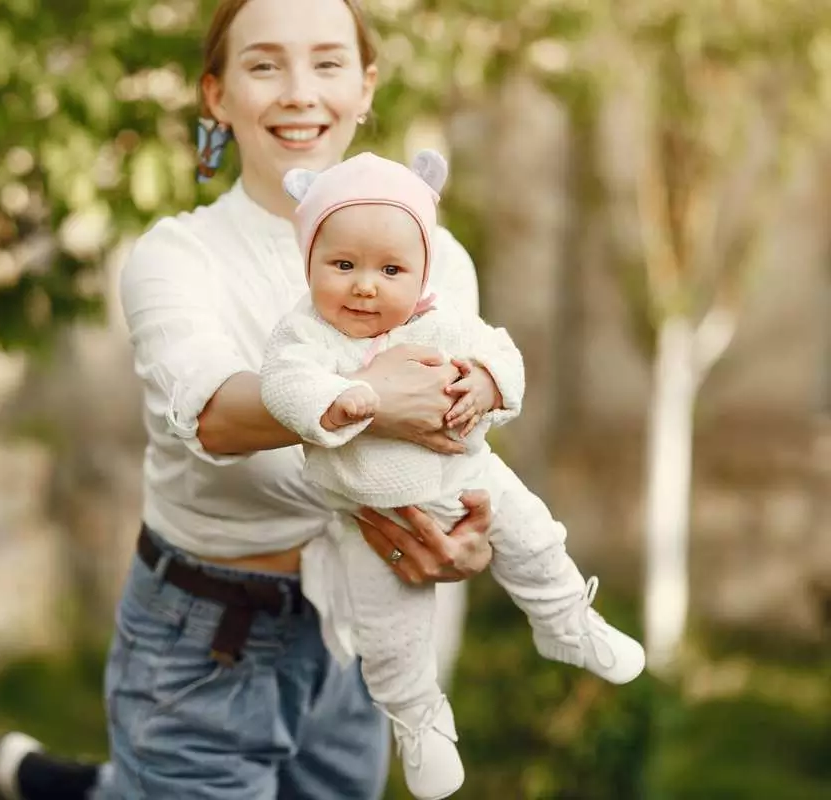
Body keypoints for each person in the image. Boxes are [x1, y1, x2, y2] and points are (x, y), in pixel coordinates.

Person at [0, 1, 495, 797]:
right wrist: (365, 398)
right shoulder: (176, 257)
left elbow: (455, 447)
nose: (299, 92)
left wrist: (461, 542)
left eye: (327, 64)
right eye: (264, 65)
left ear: (365, 88)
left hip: (355, 638)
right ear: (217, 96)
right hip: (206, 645)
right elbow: (216, 418)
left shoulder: (439, 259)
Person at [260, 150, 645, 799]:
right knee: (391, 636)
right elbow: (283, 387)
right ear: (310, 265)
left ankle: (564, 623)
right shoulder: (307, 334)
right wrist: (348, 397)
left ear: (421, 271)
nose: (365, 286)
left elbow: (503, 352)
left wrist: (491, 383)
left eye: (390, 269)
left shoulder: (442, 319)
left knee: (538, 539)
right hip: (368, 516)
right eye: (343, 265)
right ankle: (419, 722)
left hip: (471, 478)